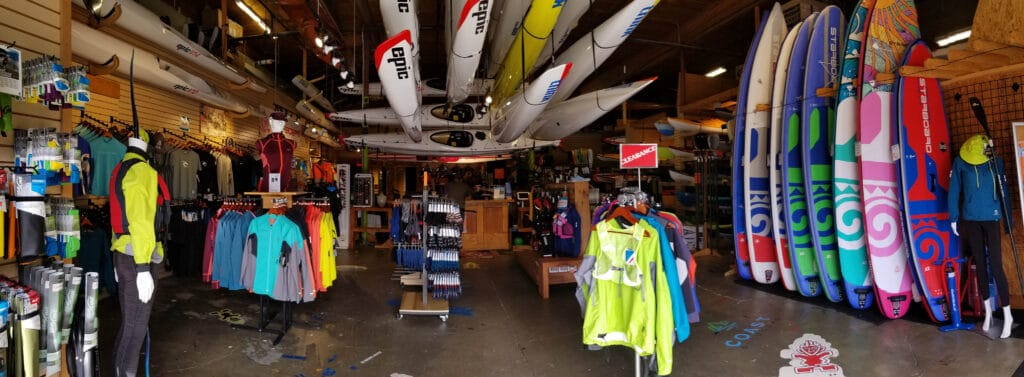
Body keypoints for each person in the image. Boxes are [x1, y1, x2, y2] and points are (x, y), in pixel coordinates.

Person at [109, 129, 171, 376]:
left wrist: (117, 258)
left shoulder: (120, 168)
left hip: (125, 254)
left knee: (129, 325)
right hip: (138, 258)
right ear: (146, 145)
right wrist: (144, 268)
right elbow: (141, 221)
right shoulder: (141, 171)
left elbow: (117, 214)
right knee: (136, 327)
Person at [948, 134, 1014, 338]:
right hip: (970, 218)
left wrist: (1008, 220)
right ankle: (987, 312)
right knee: (979, 264)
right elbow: (954, 188)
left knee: (995, 265)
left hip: (992, 218)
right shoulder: (960, 162)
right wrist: (953, 216)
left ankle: (1008, 315)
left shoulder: (996, 161)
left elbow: (1004, 190)